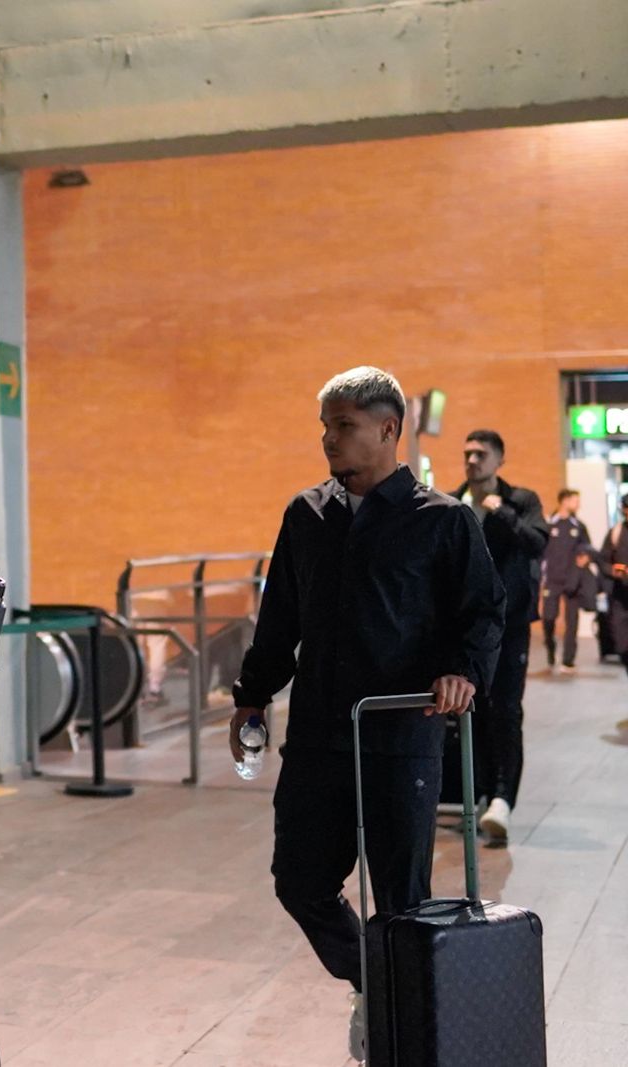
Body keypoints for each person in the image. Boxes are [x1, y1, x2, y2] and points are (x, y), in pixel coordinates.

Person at [231, 366, 504, 1063]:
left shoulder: (444, 521)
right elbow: (279, 619)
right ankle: (375, 985)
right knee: (300, 881)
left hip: (400, 736)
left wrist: (462, 671)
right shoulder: (307, 515)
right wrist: (252, 696)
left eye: (344, 425)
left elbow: (481, 612)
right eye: (325, 425)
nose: (329, 438)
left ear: (389, 429)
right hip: (321, 735)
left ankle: (408, 1033)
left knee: (402, 901)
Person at [448, 430, 546, 845]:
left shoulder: (521, 500)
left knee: (506, 709)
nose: (472, 460)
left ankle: (503, 799)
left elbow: (537, 542)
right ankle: (483, 795)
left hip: (510, 626)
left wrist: (502, 513)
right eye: (467, 453)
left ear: (499, 460)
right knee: (474, 710)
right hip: (465, 629)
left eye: (481, 454)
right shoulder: (452, 504)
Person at [540, 488, 596, 672]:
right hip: (552, 580)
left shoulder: (579, 526)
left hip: (572, 581)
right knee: (548, 618)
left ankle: (568, 660)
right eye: (575, 500)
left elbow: (588, 547)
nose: (578, 504)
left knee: (572, 621)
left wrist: (586, 555)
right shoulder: (549, 524)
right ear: (564, 501)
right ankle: (550, 648)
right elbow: (539, 551)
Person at [599, 496, 628, 683]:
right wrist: (612, 571)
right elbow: (603, 560)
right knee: (623, 646)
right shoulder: (616, 532)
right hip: (621, 596)